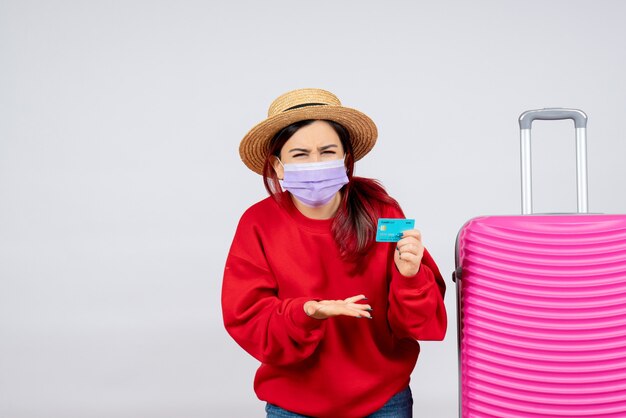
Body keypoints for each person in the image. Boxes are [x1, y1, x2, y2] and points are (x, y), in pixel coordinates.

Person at [221, 88, 447, 418]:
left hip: (383, 400)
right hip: (294, 404)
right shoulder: (258, 224)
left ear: (346, 158)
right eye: (300, 154)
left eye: (328, 152)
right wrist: (307, 312)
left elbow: (419, 323)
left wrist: (410, 277)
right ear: (277, 165)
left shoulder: (382, 213)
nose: (315, 163)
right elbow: (247, 320)